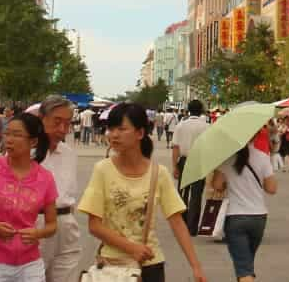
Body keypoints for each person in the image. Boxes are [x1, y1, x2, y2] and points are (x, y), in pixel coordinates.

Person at [79, 103, 207, 282]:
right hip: (112, 266)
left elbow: (177, 221)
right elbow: (94, 226)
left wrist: (196, 267)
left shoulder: (158, 173)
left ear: (140, 133)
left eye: (122, 129)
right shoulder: (102, 170)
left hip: (150, 265)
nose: (114, 135)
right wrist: (132, 248)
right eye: (111, 129)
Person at [0, 112, 58, 281]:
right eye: (7, 133)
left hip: (30, 264)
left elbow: (52, 225)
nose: (9, 139)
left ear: (33, 141)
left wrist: (37, 233)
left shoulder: (46, 177)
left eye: (17, 135)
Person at [33, 95, 81, 282]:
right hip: (37, 224)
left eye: (67, 123)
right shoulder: (25, 154)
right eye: (57, 122)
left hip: (66, 225)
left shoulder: (69, 154)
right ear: (41, 119)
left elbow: (69, 192)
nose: (62, 129)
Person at [212, 142, 277, 282]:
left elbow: (217, 185)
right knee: (246, 264)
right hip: (259, 218)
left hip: (235, 218)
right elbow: (272, 188)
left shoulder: (226, 159)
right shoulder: (262, 157)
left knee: (244, 269)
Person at [171, 99, 209, 236]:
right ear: (201, 111)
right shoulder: (206, 126)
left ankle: (181, 224)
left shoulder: (181, 126)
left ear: (188, 110)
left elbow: (175, 147)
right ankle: (192, 227)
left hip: (184, 160)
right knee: (196, 195)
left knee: (183, 193)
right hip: (198, 161)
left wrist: (174, 166)